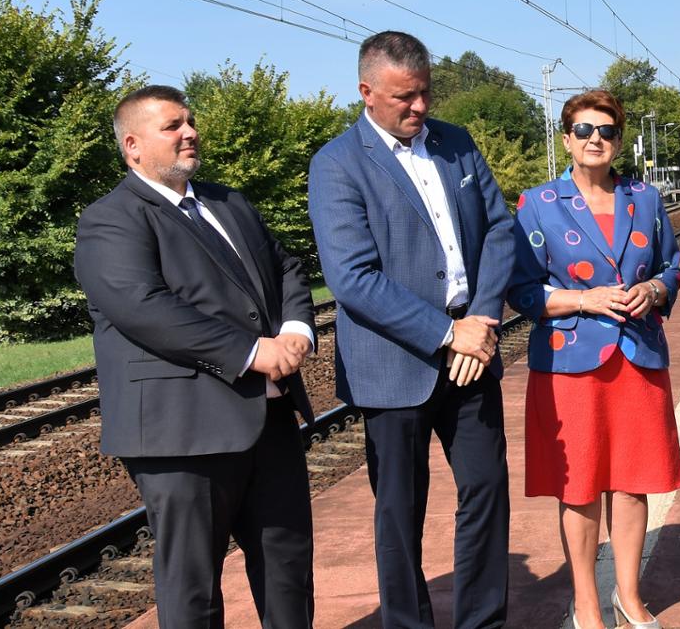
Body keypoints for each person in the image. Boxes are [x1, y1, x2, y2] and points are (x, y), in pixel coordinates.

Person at [74, 85, 317, 628]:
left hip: (268, 418)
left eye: (190, 121)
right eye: (172, 126)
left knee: (288, 569)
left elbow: (287, 268)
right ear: (133, 145)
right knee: (192, 588)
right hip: (182, 431)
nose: (190, 132)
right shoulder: (110, 220)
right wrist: (253, 351)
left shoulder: (229, 202)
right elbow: (145, 308)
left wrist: (297, 328)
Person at [308, 31, 515, 629]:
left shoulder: (456, 143)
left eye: (424, 93)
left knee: (486, 490)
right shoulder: (337, 163)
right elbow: (352, 279)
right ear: (366, 92)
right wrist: (448, 335)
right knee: (400, 512)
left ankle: (482, 621)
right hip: (394, 362)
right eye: (404, 98)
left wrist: (482, 318)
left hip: (472, 349)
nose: (419, 108)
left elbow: (499, 231)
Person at [507, 90, 680, 629]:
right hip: (571, 365)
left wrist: (653, 290)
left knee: (632, 481)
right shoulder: (537, 203)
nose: (595, 140)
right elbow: (522, 290)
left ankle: (627, 595)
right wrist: (585, 299)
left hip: (637, 357)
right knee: (580, 485)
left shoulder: (646, 199)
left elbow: (672, 266)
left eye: (605, 130)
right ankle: (587, 601)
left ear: (619, 139)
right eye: (583, 130)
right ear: (566, 138)